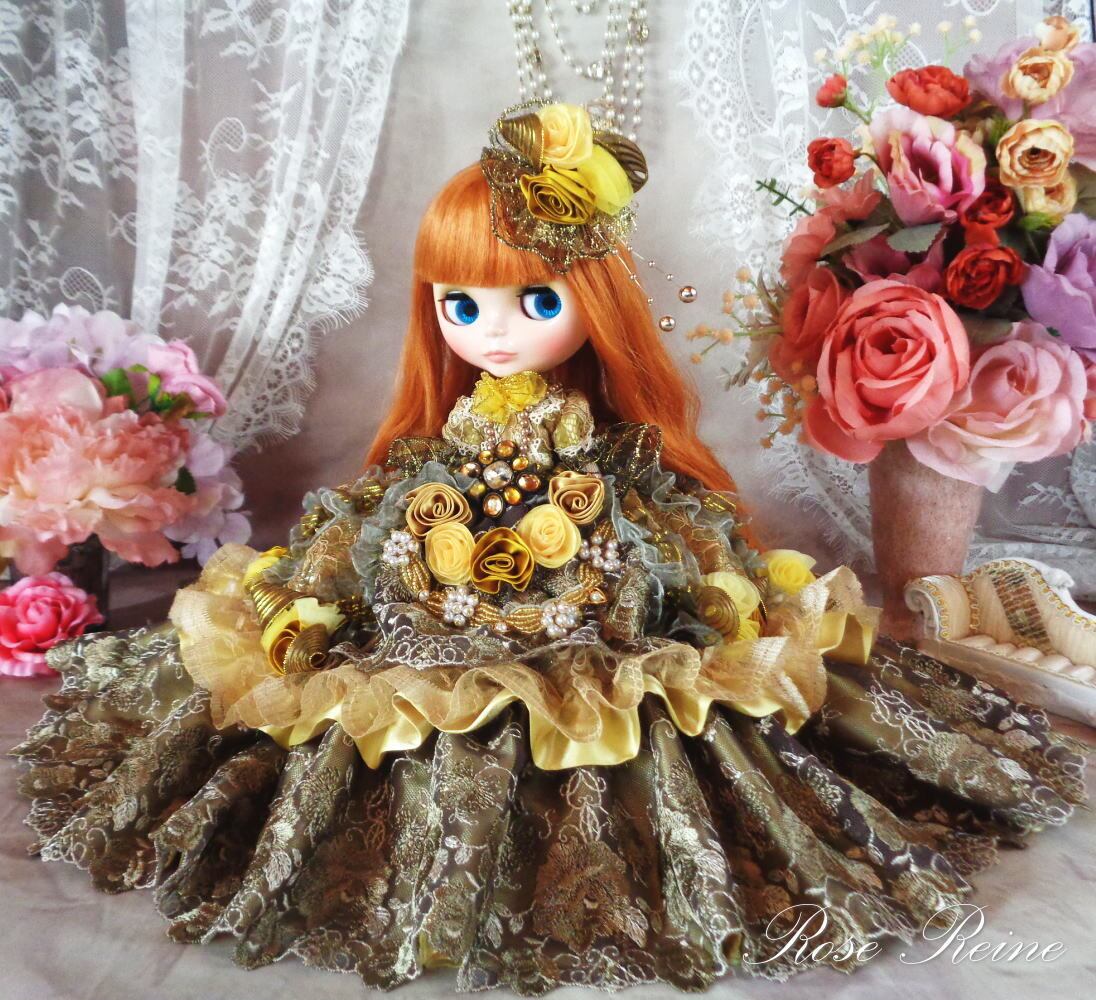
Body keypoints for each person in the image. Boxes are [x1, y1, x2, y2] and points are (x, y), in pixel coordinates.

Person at [11, 104, 1085, 995]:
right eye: (458, 302)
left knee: (663, 703)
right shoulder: (436, 439)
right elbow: (367, 518)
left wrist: (709, 585)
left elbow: (669, 520)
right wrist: (321, 595)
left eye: (533, 301)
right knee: (362, 693)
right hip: (433, 617)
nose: (491, 330)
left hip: (587, 608)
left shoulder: (607, 451)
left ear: (594, 302)